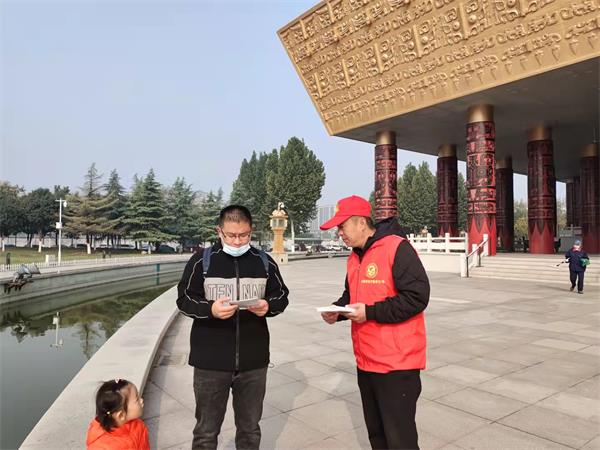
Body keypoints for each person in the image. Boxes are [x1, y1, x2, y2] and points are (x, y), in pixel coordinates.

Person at [320, 195, 429, 450]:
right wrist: (337, 310)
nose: (339, 233)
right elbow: (351, 296)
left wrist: (370, 312)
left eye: (342, 226)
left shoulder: (396, 248)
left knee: (399, 440)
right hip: (366, 360)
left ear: (361, 222)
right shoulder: (354, 257)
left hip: (396, 364)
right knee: (377, 436)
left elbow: (417, 297)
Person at [177, 205, 289, 450]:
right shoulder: (202, 261)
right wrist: (211, 310)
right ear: (219, 231)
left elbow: (281, 296)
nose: (237, 242)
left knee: (250, 430)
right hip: (210, 363)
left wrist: (267, 306)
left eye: (244, 235)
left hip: (253, 362)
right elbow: (184, 300)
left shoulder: (264, 262)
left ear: (251, 231)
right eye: (231, 235)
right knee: (205, 433)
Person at [86, 378, 149, 450]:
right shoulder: (102, 446)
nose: (141, 400)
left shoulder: (137, 424)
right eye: (137, 399)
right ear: (121, 415)